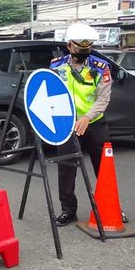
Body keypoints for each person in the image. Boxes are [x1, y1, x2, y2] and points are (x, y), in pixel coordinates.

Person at [50, 23, 112, 227]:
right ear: (69, 46)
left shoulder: (101, 67)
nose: (83, 54)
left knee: (104, 168)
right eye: (78, 50)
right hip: (68, 126)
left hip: (93, 123)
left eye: (87, 50)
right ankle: (68, 210)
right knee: (66, 169)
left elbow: (103, 99)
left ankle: (111, 206)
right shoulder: (56, 66)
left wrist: (86, 118)